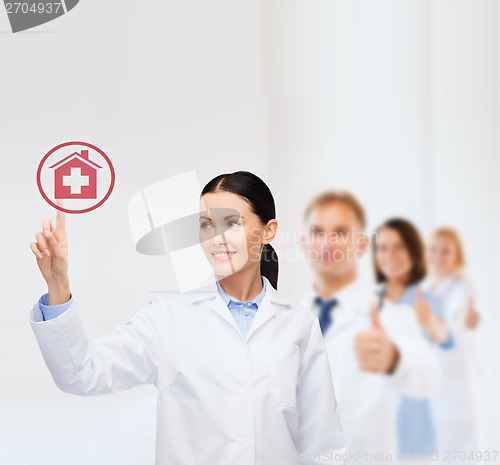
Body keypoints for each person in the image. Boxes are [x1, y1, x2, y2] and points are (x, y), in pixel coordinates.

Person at [28, 171, 346, 465]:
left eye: (231, 223)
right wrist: (58, 284)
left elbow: (323, 444)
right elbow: (81, 373)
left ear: (268, 231)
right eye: (206, 225)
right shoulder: (168, 317)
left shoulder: (298, 325)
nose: (216, 238)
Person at [300, 191, 441, 465]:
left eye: (340, 233)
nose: (326, 243)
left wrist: (393, 359)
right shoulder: (290, 317)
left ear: (362, 246)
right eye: (317, 232)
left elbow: (429, 376)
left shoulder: (390, 315)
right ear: (304, 243)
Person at [372, 218, 453, 458]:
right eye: (383, 248)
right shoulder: (369, 300)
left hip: (414, 428)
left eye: (400, 247)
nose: (391, 255)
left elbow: (445, 337)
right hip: (374, 424)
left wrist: (431, 324)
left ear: (413, 251)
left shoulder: (425, 299)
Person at [422, 227, 481, 460]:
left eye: (446, 251)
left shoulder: (462, 286)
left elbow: (462, 316)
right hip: (432, 390)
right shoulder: (424, 290)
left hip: (456, 391)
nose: (438, 256)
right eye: (434, 250)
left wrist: (466, 318)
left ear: (457, 256)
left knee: (459, 454)